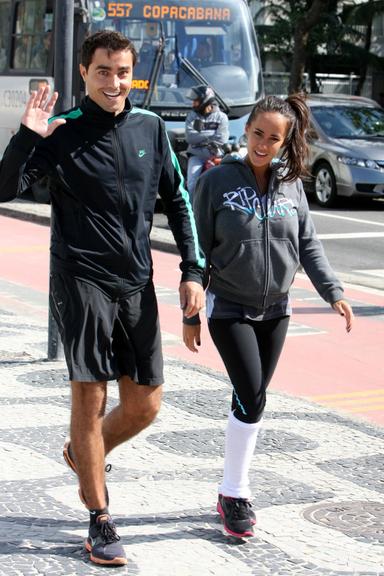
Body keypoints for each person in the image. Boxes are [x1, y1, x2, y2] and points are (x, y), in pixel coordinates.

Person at [0, 30, 204, 566]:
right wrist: (25, 137)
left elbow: (178, 203)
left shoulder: (151, 128)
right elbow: (4, 188)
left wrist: (192, 270)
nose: (115, 82)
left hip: (135, 282)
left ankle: (82, 454)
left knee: (145, 403)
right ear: (85, 73)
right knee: (89, 398)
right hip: (81, 279)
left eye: (123, 72)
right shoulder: (60, 130)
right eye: (104, 71)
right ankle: (100, 516)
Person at [183, 94, 354, 539]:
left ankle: (232, 489)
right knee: (252, 394)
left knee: (251, 397)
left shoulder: (293, 185)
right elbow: (197, 248)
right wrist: (191, 308)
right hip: (230, 308)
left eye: (273, 138)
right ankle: (234, 493)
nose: (263, 143)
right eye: (258, 133)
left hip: (277, 309)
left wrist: (332, 291)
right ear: (247, 131)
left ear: (285, 141)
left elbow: (308, 245)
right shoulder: (216, 181)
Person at [185, 84, 229, 198]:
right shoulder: (192, 116)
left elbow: (222, 139)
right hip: (196, 156)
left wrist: (200, 137)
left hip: (216, 156)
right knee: (192, 184)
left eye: (196, 101)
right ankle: (192, 214)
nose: (193, 104)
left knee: (222, 184)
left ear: (205, 101)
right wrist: (210, 136)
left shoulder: (221, 117)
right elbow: (190, 137)